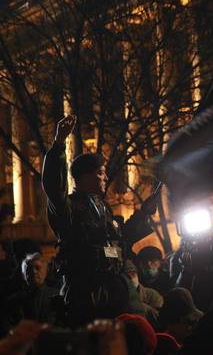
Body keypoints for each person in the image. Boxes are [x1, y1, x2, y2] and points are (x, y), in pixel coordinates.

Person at [42, 115, 158, 326]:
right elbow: (53, 186)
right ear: (85, 177)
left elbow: (119, 240)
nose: (105, 178)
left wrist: (143, 213)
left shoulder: (101, 207)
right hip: (86, 291)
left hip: (114, 285)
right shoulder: (68, 207)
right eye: (101, 173)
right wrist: (59, 145)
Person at [1, 253, 59, 335]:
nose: (34, 272)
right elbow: (7, 326)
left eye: (38, 268)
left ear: (46, 271)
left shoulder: (57, 296)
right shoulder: (13, 301)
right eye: (28, 269)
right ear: (23, 274)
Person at [125, 260, 164, 326]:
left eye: (133, 274)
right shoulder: (118, 298)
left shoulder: (152, 295)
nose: (131, 278)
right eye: (127, 276)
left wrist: (139, 306)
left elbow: (160, 319)